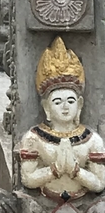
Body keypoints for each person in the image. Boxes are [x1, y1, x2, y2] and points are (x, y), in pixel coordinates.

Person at [19, 36, 105, 201]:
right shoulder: (33, 138)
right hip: (45, 200)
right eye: (57, 102)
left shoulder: (92, 140)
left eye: (70, 101)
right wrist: (55, 169)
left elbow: (99, 183)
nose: (65, 107)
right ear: (46, 107)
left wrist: (75, 171)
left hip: (83, 202)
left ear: (80, 104)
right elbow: (28, 179)